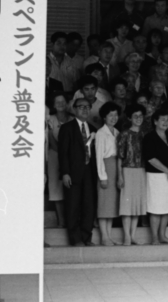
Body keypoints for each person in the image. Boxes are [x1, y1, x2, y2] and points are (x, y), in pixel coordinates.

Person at [58, 97, 97, 246]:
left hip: (89, 172)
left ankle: (86, 237)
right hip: (72, 173)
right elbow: (63, 153)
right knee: (73, 206)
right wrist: (65, 173)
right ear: (74, 109)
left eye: (87, 107)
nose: (85, 109)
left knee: (89, 206)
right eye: (81, 107)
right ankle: (75, 239)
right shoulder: (67, 128)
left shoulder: (93, 129)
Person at [143, 109, 168, 244]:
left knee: (167, 206)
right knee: (155, 207)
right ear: (155, 122)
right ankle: (154, 237)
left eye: (167, 120)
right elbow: (151, 159)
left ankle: (162, 235)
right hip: (156, 177)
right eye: (162, 120)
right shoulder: (149, 137)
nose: (166, 122)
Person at [117, 104, 148, 246]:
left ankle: (134, 235)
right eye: (135, 116)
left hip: (142, 171)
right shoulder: (124, 134)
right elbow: (120, 156)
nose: (138, 119)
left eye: (141, 116)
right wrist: (120, 176)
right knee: (127, 204)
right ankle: (127, 236)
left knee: (137, 205)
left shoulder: (145, 134)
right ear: (129, 118)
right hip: (127, 170)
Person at [95, 102, 121, 246]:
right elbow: (99, 156)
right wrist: (102, 177)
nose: (113, 117)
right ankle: (104, 236)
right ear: (104, 117)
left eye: (116, 115)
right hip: (105, 169)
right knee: (103, 204)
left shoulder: (117, 132)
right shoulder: (101, 133)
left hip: (115, 168)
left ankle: (109, 236)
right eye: (110, 115)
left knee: (111, 205)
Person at [46, 92, 74, 228]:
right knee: (56, 189)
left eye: (63, 101)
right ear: (53, 105)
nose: (61, 104)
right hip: (55, 156)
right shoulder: (49, 119)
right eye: (57, 102)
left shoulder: (73, 119)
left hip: (71, 157)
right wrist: (62, 152)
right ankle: (61, 222)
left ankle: (71, 221)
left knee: (71, 189)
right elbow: (49, 139)